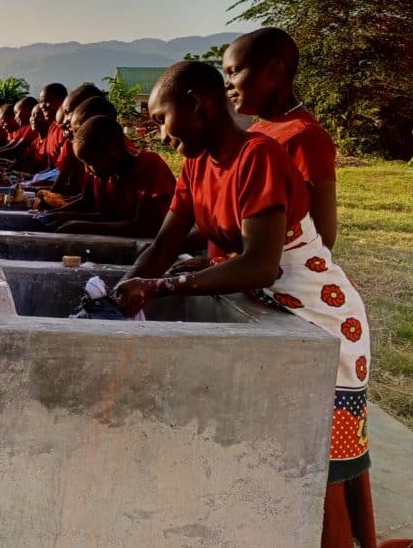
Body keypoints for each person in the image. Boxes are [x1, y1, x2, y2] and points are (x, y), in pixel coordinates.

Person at [111, 61, 374, 548]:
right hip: (271, 314)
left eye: (162, 120)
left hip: (319, 322)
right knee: (291, 469)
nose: (161, 135)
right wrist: (120, 295)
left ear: (196, 104)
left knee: (324, 482)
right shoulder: (196, 164)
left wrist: (164, 288)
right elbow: (163, 245)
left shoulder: (260, 156)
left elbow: (259, 265)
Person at [224, 27, 339, 248]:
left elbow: (322, 236)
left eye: (234, 72)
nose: (227, 83)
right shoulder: (258, 130)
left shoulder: (306, 136)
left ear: (275, 71)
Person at [43, 116, 174, 237]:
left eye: (90, 163)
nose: (87, 170)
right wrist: (63, 216)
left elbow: (146, 227)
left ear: (112, 152)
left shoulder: (149, 166)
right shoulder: (104, 176)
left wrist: (84, 227)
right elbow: (107, 216)